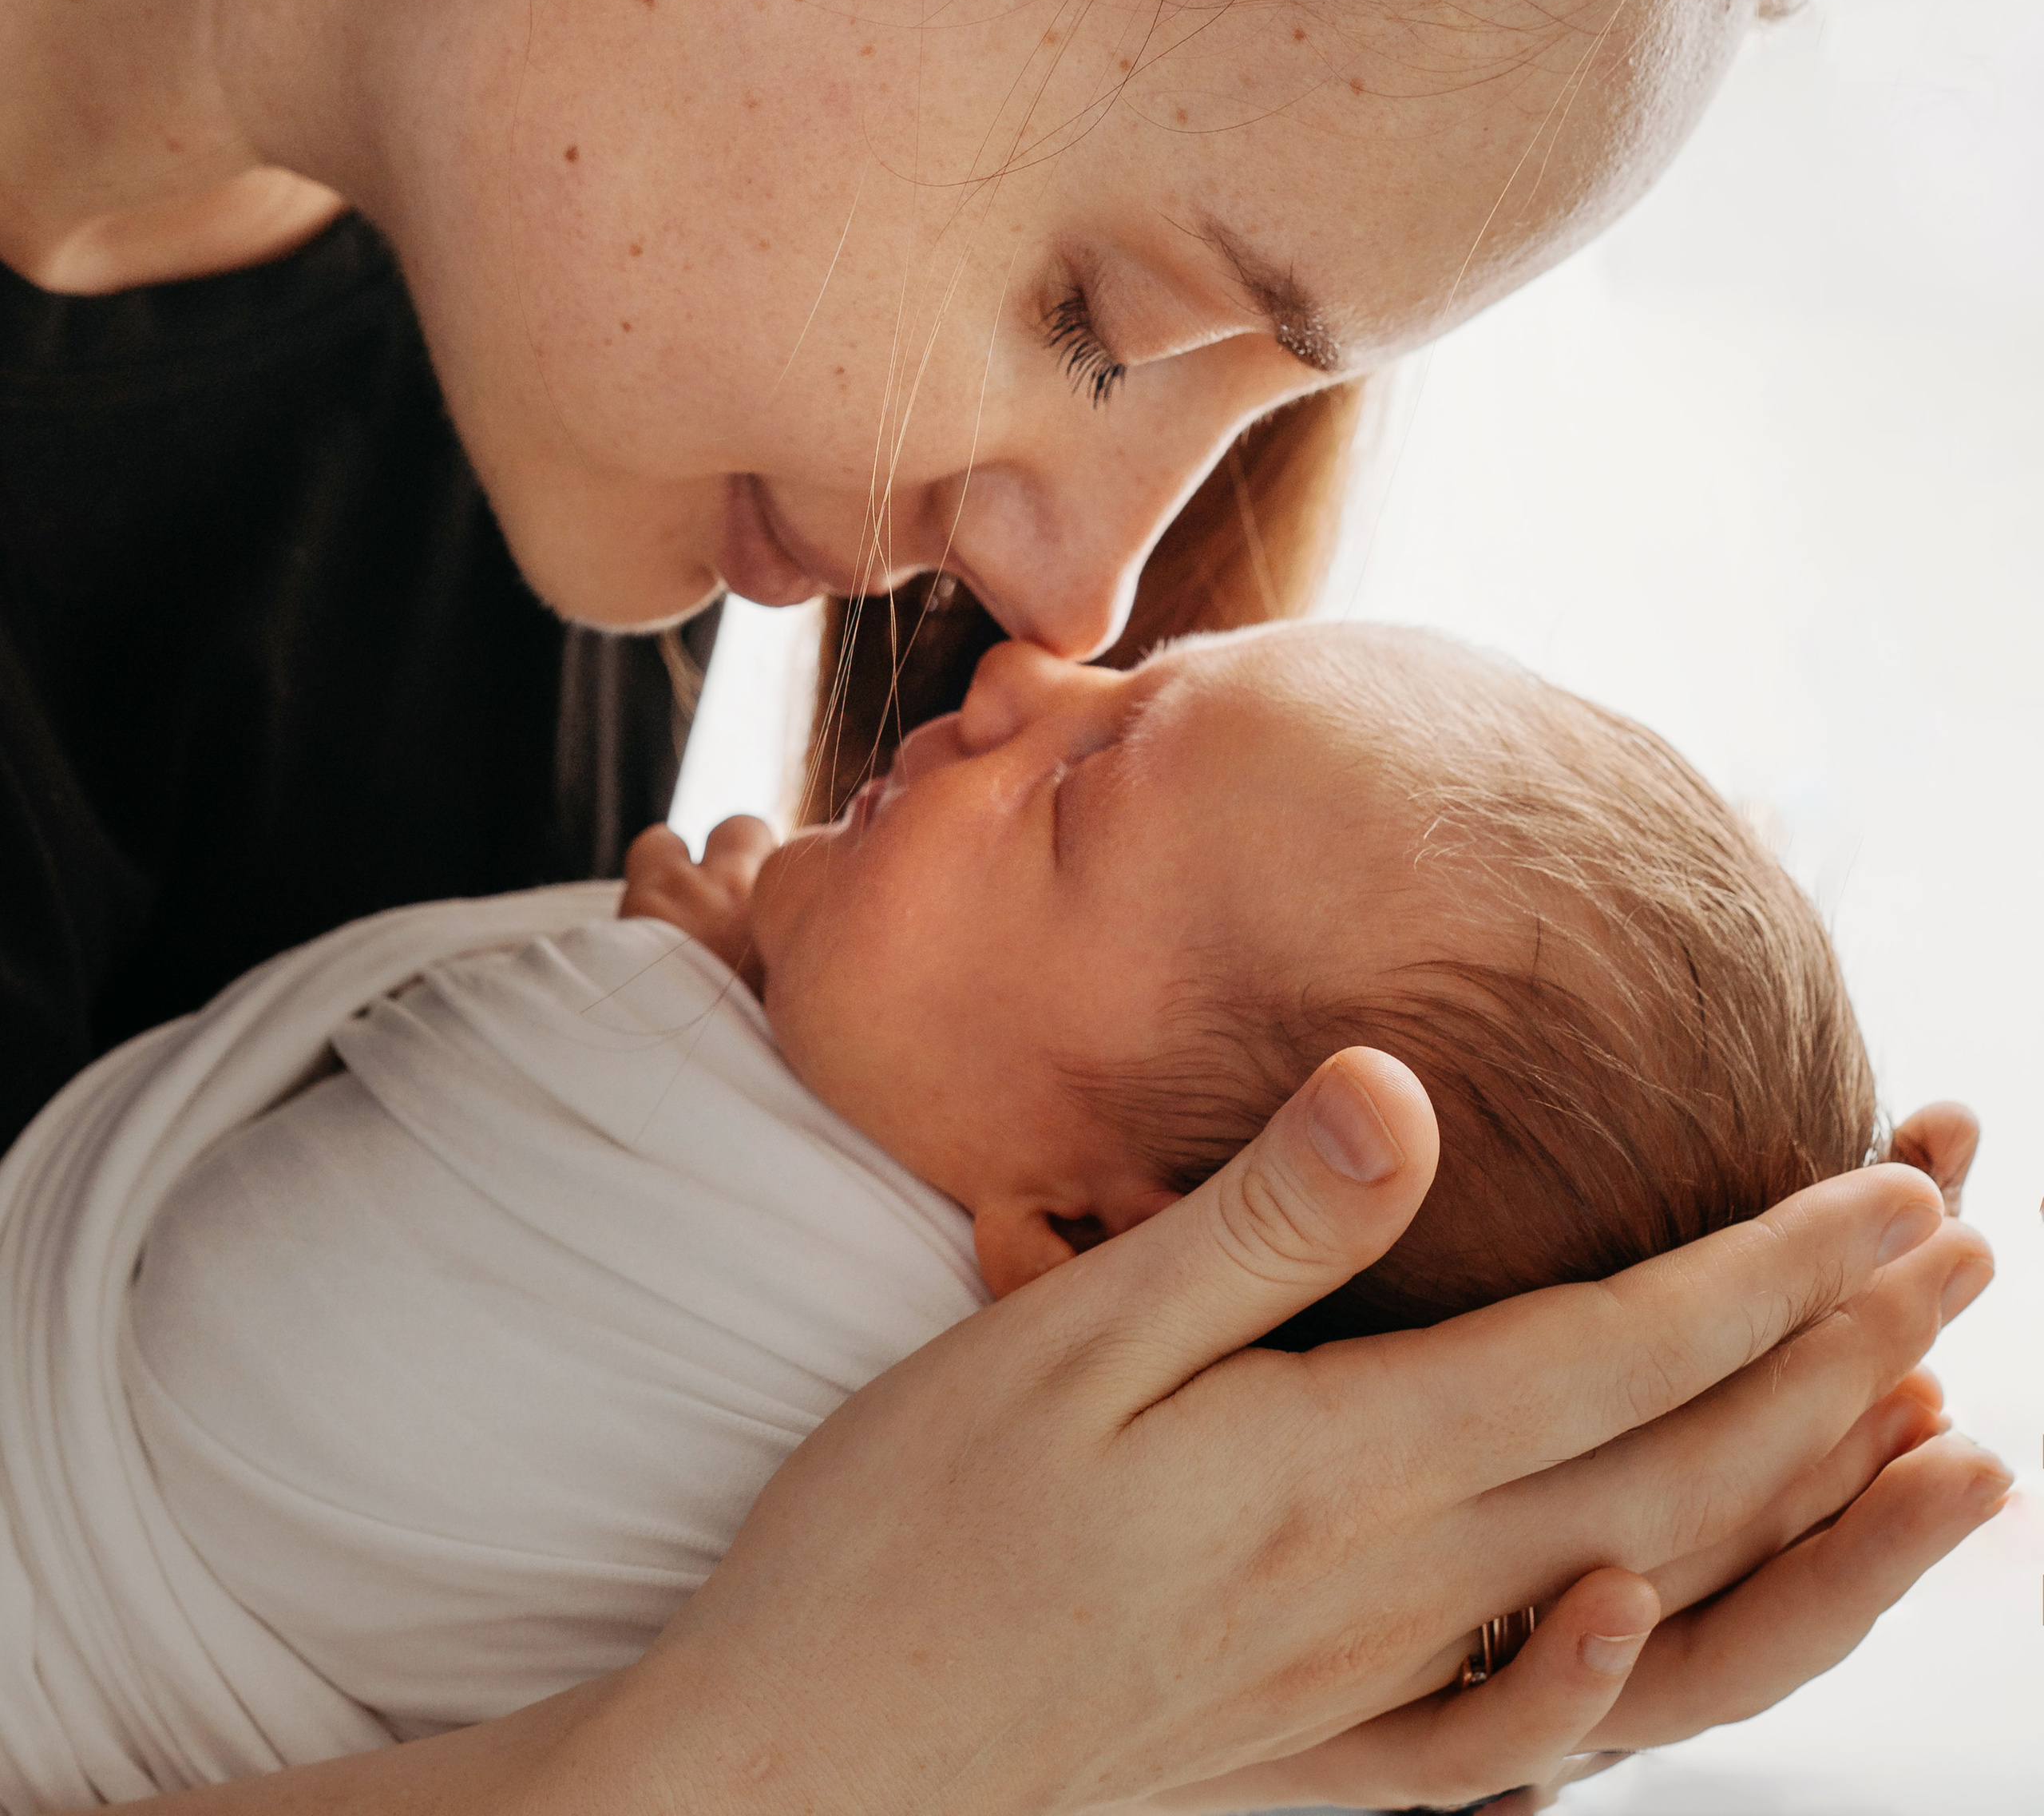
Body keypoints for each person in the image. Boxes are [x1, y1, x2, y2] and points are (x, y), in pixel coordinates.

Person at [0, 0, 2002, 1814]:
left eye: (1249, 403)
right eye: (1098, 310)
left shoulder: (523, 402)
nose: (1067, 574)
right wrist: (790, 1764)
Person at [0, 618, 1994, 1809]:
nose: (1021, 665)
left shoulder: (649, 1115)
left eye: (1077, 785)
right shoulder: (1133, 1672)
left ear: (1095, 1247)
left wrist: (677, 1011)